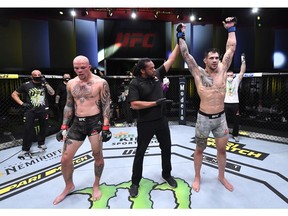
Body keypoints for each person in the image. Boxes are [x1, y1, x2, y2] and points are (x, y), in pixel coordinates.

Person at [177, 17, 237, 192]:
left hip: (221, 119)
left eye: (217, 57)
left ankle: (221, 176)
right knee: (199, 150)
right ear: (205, 60)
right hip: (203, 119)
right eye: (211, 58)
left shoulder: (224, 69)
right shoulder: (198, 73)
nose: (215, 60)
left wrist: (231, 29)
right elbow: (186, 55)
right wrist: (180, 35)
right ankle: (197, 177)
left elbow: (231, 48)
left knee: (222, 151)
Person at [127, 29, 180, 198]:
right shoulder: (135, 83)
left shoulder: (156, 75)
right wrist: (156, 103)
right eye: (150, 67)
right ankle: (135, 182)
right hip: (146, 123)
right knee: (140, 152)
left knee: (166, 148)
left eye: (153, 67)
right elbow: (134, 105)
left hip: (161, 121)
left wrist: (180, 39)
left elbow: (171, 59)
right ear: (143, 70)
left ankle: (167, 174)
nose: (153, 69)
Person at [53, 55, 112, 205]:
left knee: (97, 155)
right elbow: (68, 105)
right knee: (65, 159)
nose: (79, 70)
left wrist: (105, 126)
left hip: (95, 123)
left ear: (89, 67)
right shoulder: (71, 84)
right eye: (76, 68)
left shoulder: (100, 82)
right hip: (77, 123)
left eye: (82, 67)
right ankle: (69, 185)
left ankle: (96, 184)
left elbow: (106, 105)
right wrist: (63, 126)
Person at [11, 70, 55, 159]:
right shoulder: (26, 85)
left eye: (39, 75)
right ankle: (25, 148)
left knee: (43, 127)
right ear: (32, 76)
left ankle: (41, 143)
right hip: (31, 110)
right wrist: (22, 103)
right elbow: (14, 94)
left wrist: (45, 82)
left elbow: (52, 93)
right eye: (35, 75)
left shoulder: (44, 84)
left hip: (43, 109)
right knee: (28, 128)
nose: (37, 76)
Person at [224, 53, 246, 142]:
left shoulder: (236, 80)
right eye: (228, 75)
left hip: (235, 103)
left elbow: (242, 71)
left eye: (231, 75)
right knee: (223, 120)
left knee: (236, 120)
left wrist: (243, 61)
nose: (229, 77)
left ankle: (235, 135)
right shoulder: (223, 80)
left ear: (233, 75)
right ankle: (223, 135)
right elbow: (220, 71)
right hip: (225, 103)